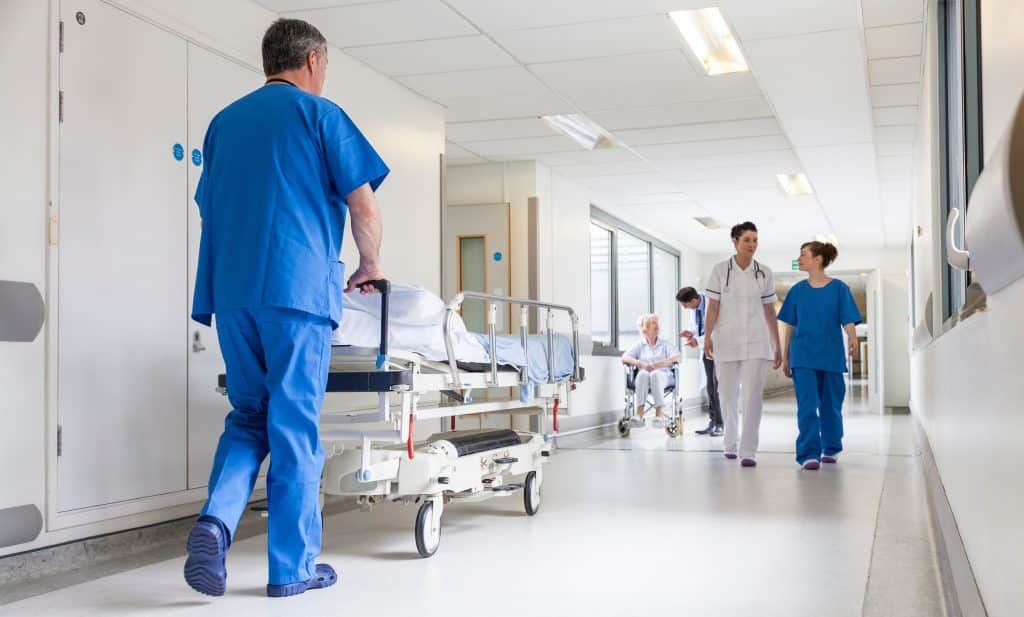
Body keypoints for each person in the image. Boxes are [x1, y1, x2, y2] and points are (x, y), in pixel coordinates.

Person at [185, 19, 390, 598]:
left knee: (249, 417)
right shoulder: (321, 116)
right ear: (315, 59)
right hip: (296, 295)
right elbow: (363, 206)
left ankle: (215, 521)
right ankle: (291, 568)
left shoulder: (224, 124)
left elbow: (212, 207)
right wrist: (370, 264)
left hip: (232, 293)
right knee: (294, 426)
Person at [704, 222, 782, 467]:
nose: (752, 245)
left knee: (752, 397)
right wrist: (707, 337)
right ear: (735, 242)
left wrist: (777, 345)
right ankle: (730, 441)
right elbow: (713, 307)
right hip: (725, 342)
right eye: (747, 240)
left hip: (757, 343)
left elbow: (770, 311)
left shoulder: (764, 272)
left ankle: (748, 450)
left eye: (755, 240)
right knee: (726, 395)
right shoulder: (719, 270)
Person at [778, 241, 862, 470]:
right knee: (806, 406)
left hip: (831, 355)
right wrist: (786, 357)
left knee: (831, 405)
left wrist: (853, 337)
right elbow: (790, 326)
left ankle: (831, 447)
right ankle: (808, 454)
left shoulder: (839, 288)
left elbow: (848, 318)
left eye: (803, 254)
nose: (800, 258)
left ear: (818, 259)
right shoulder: (796, 291)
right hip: (802, 356)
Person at [677, 286, 723, 436]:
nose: (685, 308)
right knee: (710, 386)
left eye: (685, 305)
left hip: (719, 348)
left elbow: (717, 329)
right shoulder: (695, 309)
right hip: (707, 349)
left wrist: (698, 340)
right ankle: (713, 422)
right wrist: (690, 334)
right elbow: (700, 329)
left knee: (717, 386)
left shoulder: (713, 303)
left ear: (694, 300)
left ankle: (720, 424)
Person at [621, 314, 681, 429]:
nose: (657, 325)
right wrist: (640, 364)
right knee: (643, 373)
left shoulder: (665, 344)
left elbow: (678, 358)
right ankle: (639, 414)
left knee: (655, 374)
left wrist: (658, 364)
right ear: (644, 328)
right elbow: (624, 358)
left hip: (664, 376)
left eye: (657, 322)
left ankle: (660, 413)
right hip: (644, 379)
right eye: (653, 323)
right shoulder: (640, 344)